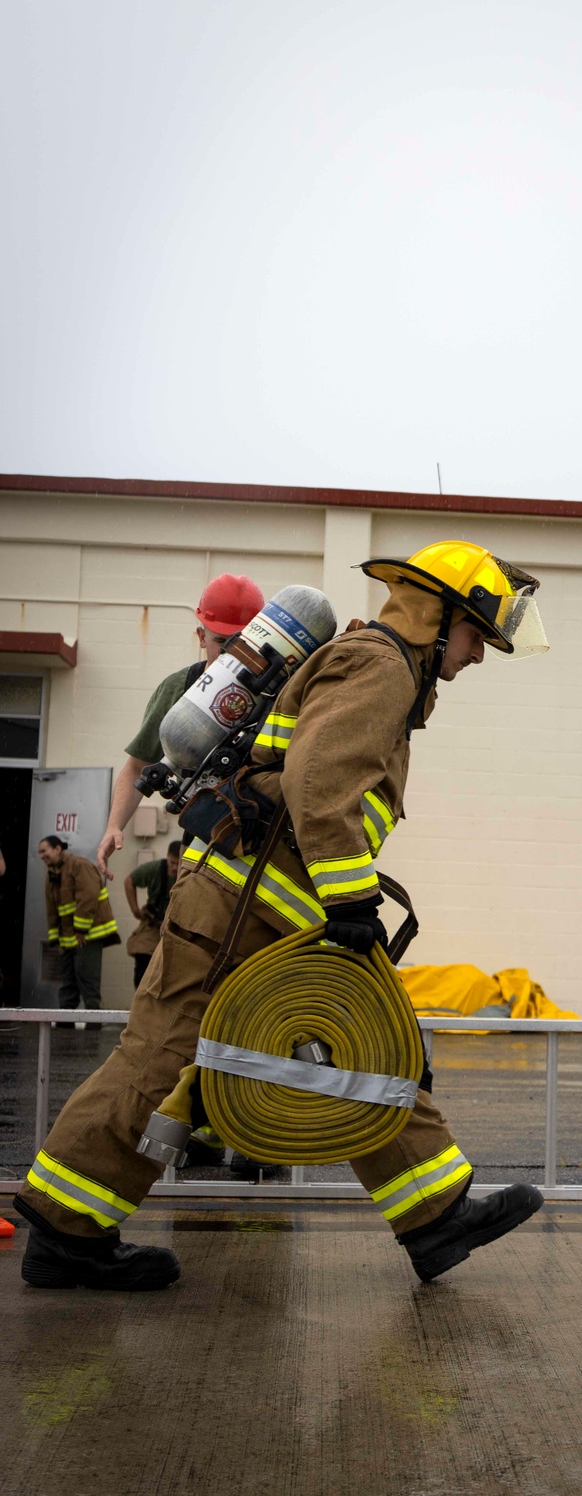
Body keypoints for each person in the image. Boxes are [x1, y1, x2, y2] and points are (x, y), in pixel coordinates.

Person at [15, 540, 549, 1290]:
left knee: (364, 1048)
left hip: (266, 905)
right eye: (475, 636)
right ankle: (66, 1230)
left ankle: (435, 1215)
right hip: (244, 907)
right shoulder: (383, 666)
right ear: (441, 617)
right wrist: (350, 898)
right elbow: (319, 777)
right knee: (159, 1059)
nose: (479, 656)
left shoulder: (378, 663)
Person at [97, 573, 265, 879]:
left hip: (267, 843)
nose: (231, 653)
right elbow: (139, 767)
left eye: (242, 643)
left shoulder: (278, 691)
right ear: (201, 638)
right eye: (221, 642)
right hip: (204, 841)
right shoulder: (178, 689)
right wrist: (114, 826)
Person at [38, 835, 120, 1019]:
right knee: (68, 982)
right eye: (39, 853)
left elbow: (88, 898)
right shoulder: (52, 874)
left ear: (58, 848)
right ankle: (64, 1025)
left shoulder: (79, 866)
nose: (42, 855)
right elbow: (52, 910)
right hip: (69, 938)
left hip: (88, 935)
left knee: (87, 979)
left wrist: (80, 930)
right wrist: (56, 939)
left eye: (44, 850)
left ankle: (93, 1028)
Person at [124, 842, 180, 988]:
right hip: (153, 924)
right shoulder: (155, 869)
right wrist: (135, 910)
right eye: (172, 863)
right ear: (167, 857)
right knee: (142, 957)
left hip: (175, 928)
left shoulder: (188, 874)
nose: (174, 868)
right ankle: (140, 999)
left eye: (178, 864)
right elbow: (129, 881)